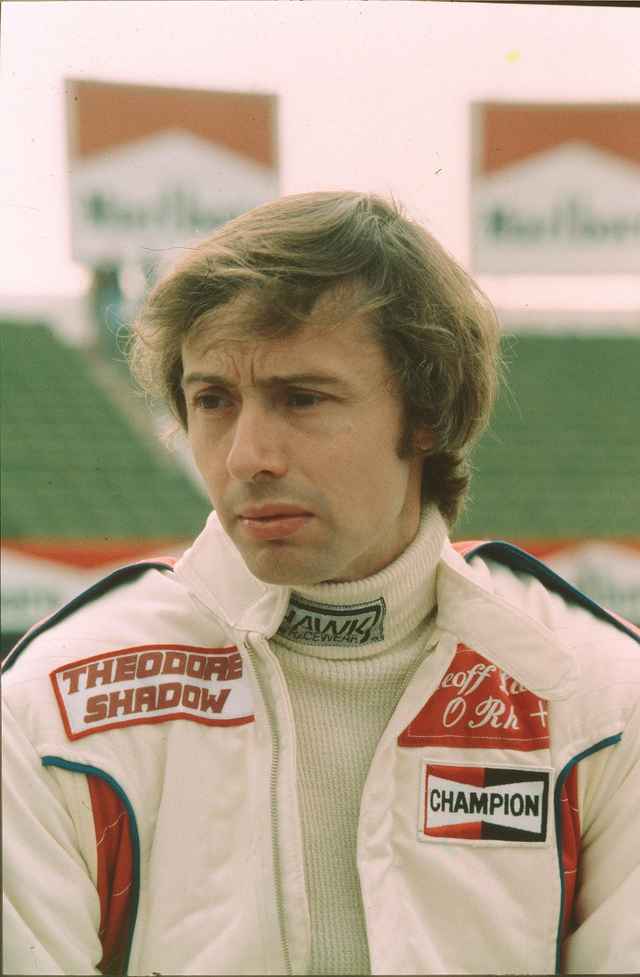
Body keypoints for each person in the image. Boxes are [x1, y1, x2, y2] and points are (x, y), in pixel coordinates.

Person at [3, 191, 639, 977]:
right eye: (213, 400)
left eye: (302, 398)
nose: (247, 456)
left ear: (426, 414)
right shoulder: (52, 707)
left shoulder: (598, 698)